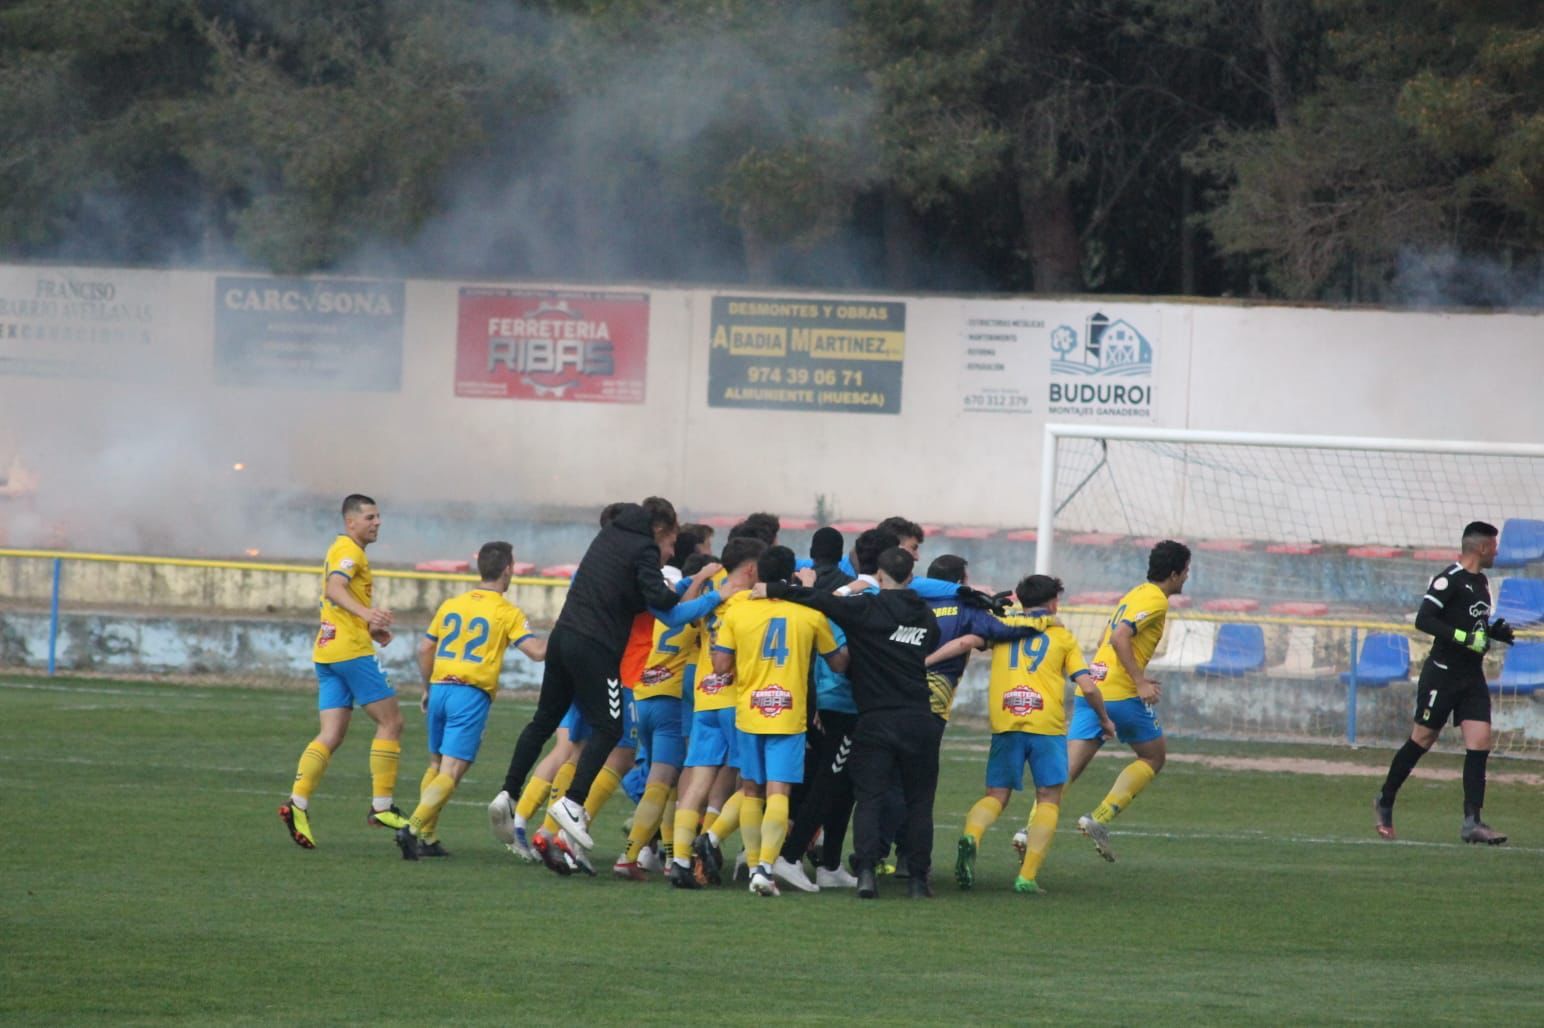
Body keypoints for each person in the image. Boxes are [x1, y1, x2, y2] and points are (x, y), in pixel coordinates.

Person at [493, 496, 689, 862]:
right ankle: (572, 803)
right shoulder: (644, 547)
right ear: (660, 530)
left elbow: (625, 594)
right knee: (611, 730)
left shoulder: (607, 540)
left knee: (545, 722)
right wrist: (688, 588)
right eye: (672, 541)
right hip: (598, 651)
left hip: (563, 637)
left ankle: (508, 793)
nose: (671, 550)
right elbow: (663, 602)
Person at [760, 546, 942, 899]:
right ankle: (919, 880)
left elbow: (819, 602)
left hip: (875, 719)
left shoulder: (866, 609)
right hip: (920, 717)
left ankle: (867, 876)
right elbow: (929, 642)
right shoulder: (924, 615)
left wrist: (775, 589)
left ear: (880, 576)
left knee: (869, 797)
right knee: (919, 801)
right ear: (910, 575)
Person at [952, 576, 1113, 894]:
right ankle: (1026, 877)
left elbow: (970, 640)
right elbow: (1088, 686)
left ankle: (972, 835)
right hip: (1047, 726)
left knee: (995, 796)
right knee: (1049, 799)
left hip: (1006, 722)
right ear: (1053, 602)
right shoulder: (1062, 636)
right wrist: (1105, 720)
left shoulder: (1002, 628)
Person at [395, 542, 547, 859]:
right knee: (451, 771)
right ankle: (412, 828)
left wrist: (426, 689)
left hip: (439, 688)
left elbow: (425, 649)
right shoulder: (507, 612)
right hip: (470, 692)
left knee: (437, 765)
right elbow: (536, 653)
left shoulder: (452, 604)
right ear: (508, 569)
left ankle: (428, 837)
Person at [714, 545, 848, 896]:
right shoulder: (810, 614)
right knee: (780, 792)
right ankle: (763, 869)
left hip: (749, 711)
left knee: (751, 790)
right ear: (791, 575)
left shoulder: (738, 612)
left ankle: (754, 862)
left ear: (757, 575)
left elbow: (721, 666)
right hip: (788, 712)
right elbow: (839, 663)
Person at [1374, 521, 1513, 844]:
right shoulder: (1447, 579)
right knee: (1422, 739)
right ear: (1481, 547)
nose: (1497, 551)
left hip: (1471, 677)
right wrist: (1466, 637)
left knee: (1479, 743)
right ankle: (1385, 799)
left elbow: (1471, 622)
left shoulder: (1481, 582)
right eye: (1494, 545)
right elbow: (1425, 619)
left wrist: (1493, 632)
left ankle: (1472, 823)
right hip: (1442, 674)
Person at [279, 493, 404, 849]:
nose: (377, 522)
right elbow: (335, 588)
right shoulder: (350, 551)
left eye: (378, 516)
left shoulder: (341, 548)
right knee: (391, 723)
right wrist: (367, 617)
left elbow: (338, 597)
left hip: (328, 650)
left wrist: (369, 627)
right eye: (370, 517)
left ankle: (297, 803)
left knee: (330, 734)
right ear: (351, 522)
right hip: (351, 653)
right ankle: (382, 806)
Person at [1062, 539, 1190, 862]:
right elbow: (1120, 637)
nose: (1187, 577)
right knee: (1153, 756)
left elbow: (1111, 634)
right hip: (1121, 692)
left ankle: (1029, 830)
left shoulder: (1134, 593)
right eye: (1186, 571)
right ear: (1174, 574)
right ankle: (1100, 818)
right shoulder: (1156, 600)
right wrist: (1140, 681)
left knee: (1064, 772)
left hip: (1092, 685)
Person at [672, 537, 766, 888]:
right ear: (752, 568)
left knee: (698, 781)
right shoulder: (749, 603)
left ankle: (680, 860)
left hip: (705, 698)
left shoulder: (711, 600)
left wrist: (699, 580)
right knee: (754, 782)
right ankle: (712, 839)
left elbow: (681, 612)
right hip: (736, 700)